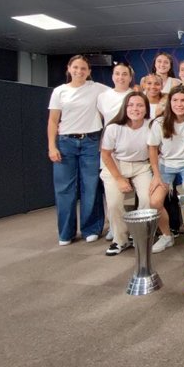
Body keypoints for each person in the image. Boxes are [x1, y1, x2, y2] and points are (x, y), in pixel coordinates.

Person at [47, 55, 109, 245]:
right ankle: (66, 232)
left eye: (83, 68)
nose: (79, 71)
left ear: (89, 71)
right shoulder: (60, 92)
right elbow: (53, 120)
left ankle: (91, 228)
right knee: (64, 189)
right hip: (66, 142)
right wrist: (52, 145)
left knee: (91, 187)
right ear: (69, 68)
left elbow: (120, 93)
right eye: (76, 67)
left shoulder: (97, 88)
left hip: (91, 141)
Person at [147, 86, 184, 253]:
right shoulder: (159, 123)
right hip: (165, 166)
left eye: (183, 100)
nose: (179, 104)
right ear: (169, 102)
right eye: (175, 100)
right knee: (155, 201)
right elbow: (152, 149)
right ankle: (166, 236)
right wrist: (156, 176)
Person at [100, 92, 152, 256]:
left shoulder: (152, 125)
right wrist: (119, 179)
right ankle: (120, 240)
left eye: (140, 105)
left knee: (147, 199)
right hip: (116, 166)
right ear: (125, 107)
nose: (135, 109)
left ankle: (140, 236)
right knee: (114, 204)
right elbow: (106, 155)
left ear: (146, 109)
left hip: (142, 166)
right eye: (131, 105)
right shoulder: (113, 127)